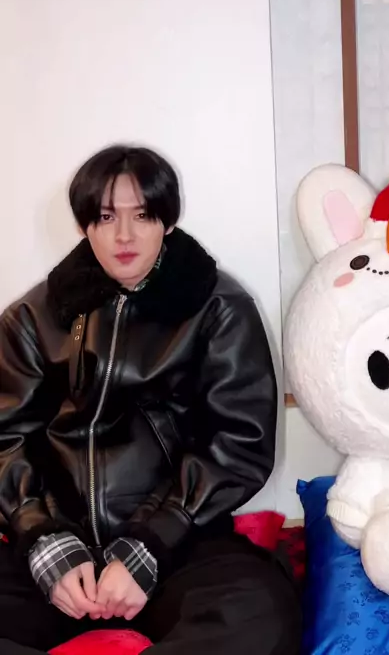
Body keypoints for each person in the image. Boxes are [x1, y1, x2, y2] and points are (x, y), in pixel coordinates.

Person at [0, 145, 301, 655]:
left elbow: (239, 445)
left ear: (167, 219)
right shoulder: (31, 318)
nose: (124, 235)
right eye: (106, 217)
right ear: (83, 225)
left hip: (179, 543)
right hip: (58, 549)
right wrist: (43, 538)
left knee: (261, 613)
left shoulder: (219, 309)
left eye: (142, 215)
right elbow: (6, 439)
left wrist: (151, 542)